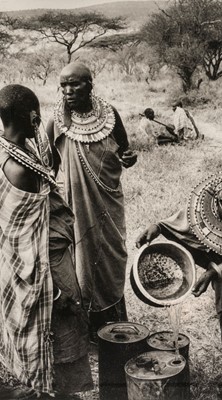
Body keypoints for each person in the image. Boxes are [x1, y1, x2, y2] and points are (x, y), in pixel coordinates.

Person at [0, 84, 92, 399]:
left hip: (18, 262)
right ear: (29, 114)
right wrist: (60, 286)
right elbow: (43, 225)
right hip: (44, 265)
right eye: (34, 113)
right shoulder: (23, 168)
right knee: (62, 329)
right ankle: (56, 392)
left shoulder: (6, 149)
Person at [136, 171, 222, 362]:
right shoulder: (213, 203)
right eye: (218, 218)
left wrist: (215, 271)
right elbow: (192, 220)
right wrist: (159, 227)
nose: (218, 225)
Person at [46, 62, 137, 343]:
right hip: (76, 208)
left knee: (111, 256)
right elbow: (47, 166)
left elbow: (125, 151)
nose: (68, 91)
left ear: (89, 84)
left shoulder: (110, 115)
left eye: (74, 84)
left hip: (108, 204)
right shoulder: (56, 122)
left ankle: (113, 321)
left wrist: (129, 158)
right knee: (82, 260)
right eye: (63, 85)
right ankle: (89, 328)